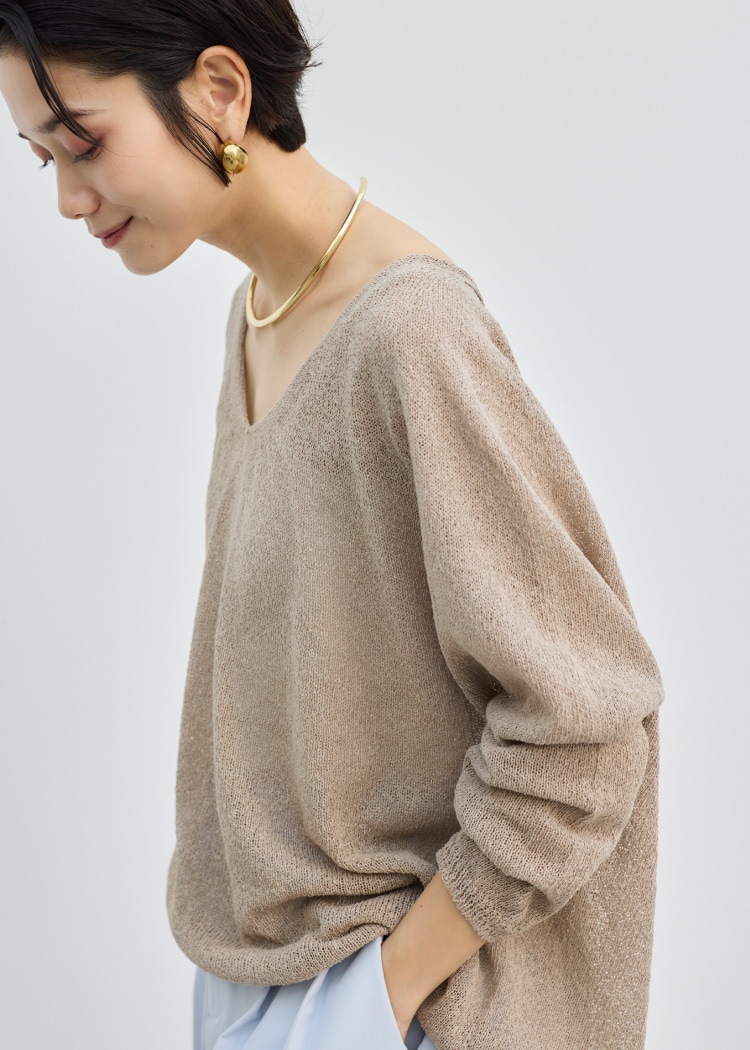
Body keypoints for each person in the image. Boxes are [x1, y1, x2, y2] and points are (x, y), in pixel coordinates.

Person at [0, 3, 664, 1048]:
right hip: (262, 975)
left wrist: (385, 995)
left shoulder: (408, 331)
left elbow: (586, 722)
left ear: (221, 90)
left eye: (81, 142)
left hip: (397, 997)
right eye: (43, 160)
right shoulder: (260, 312)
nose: (69, 199)